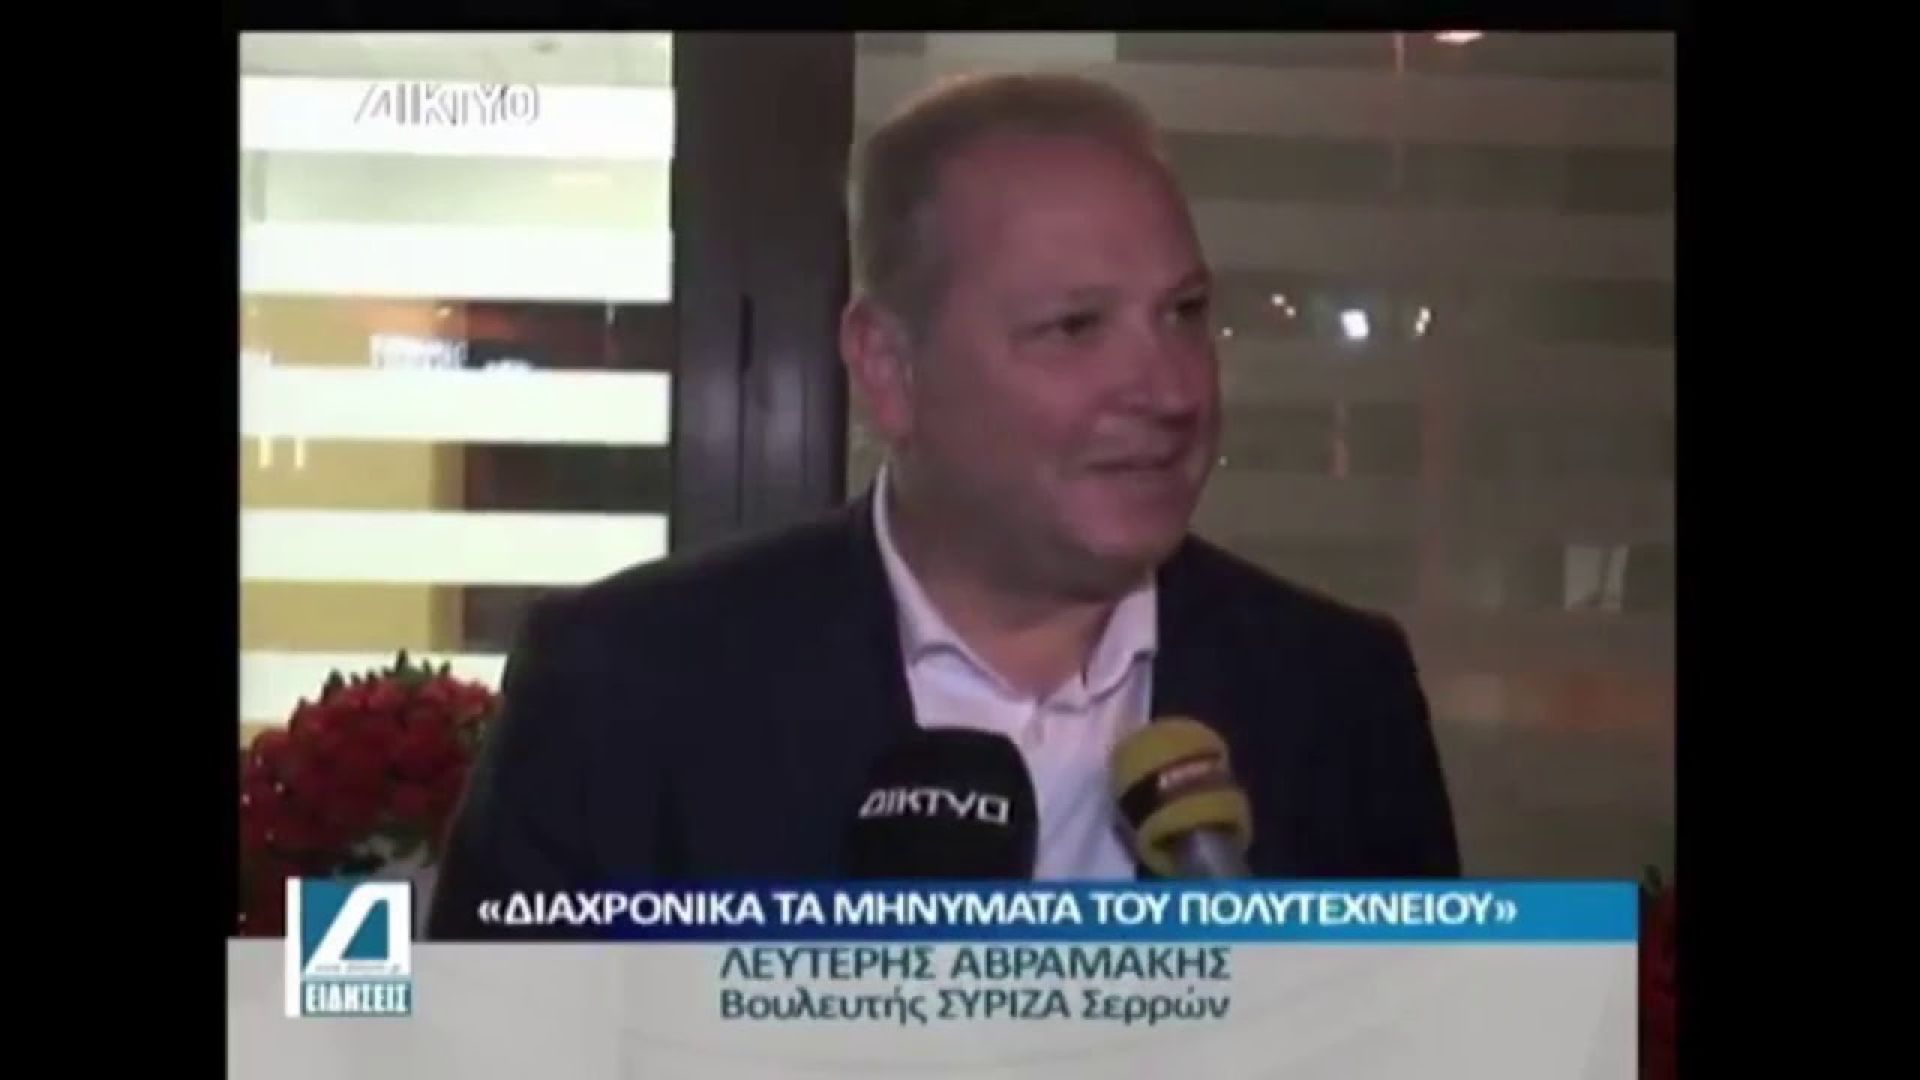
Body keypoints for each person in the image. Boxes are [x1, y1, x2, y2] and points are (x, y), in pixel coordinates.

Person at [428, 72, 1458, 939]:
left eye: (1183, 313)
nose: (1170, 390)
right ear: (888, 369)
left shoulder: (1338, 696)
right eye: (1074, 327)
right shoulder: (622, 688)